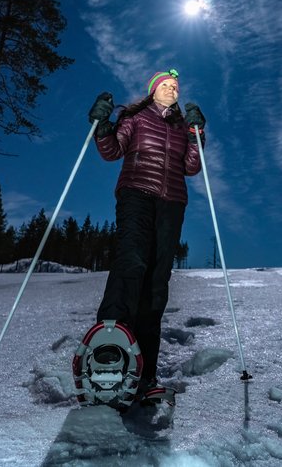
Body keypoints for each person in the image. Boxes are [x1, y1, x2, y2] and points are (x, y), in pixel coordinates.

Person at [87, 68, 207, 395]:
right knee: (132, 261)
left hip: (172, 204)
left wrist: (197, 134)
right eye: (165, 86)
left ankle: (145, 372)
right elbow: (112, 151)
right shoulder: (136, 118)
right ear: (153, 90)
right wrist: (101, 125)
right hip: (137, 193)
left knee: (157, 281)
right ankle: (108, 347)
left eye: (175, 87)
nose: (171, 90)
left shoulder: (183, 127)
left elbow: (192, 167)